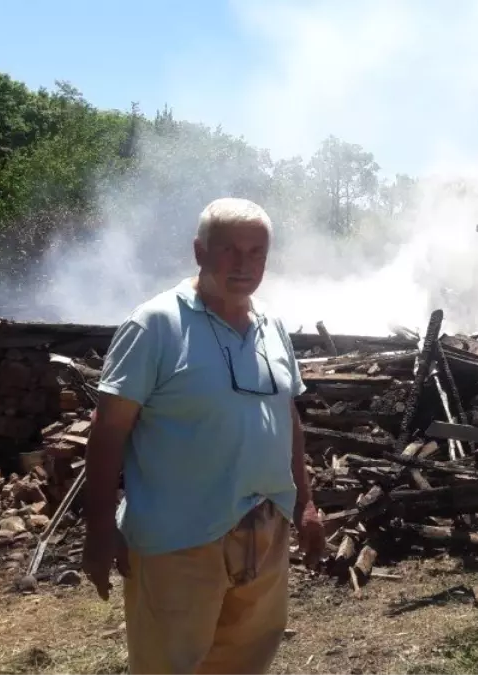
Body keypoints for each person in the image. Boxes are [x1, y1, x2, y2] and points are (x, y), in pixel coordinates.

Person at [81, 197, 325, 675]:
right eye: (229, 250)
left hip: (263, 530)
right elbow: (108, 432)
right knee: (169, 665)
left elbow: (287, 417)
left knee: (245, 660)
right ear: (199, 251)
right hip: (179, 540)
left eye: (257, 252)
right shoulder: (156, 324)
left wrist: (305, 503)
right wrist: (99, 529)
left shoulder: (270, 325)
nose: (244, 264)